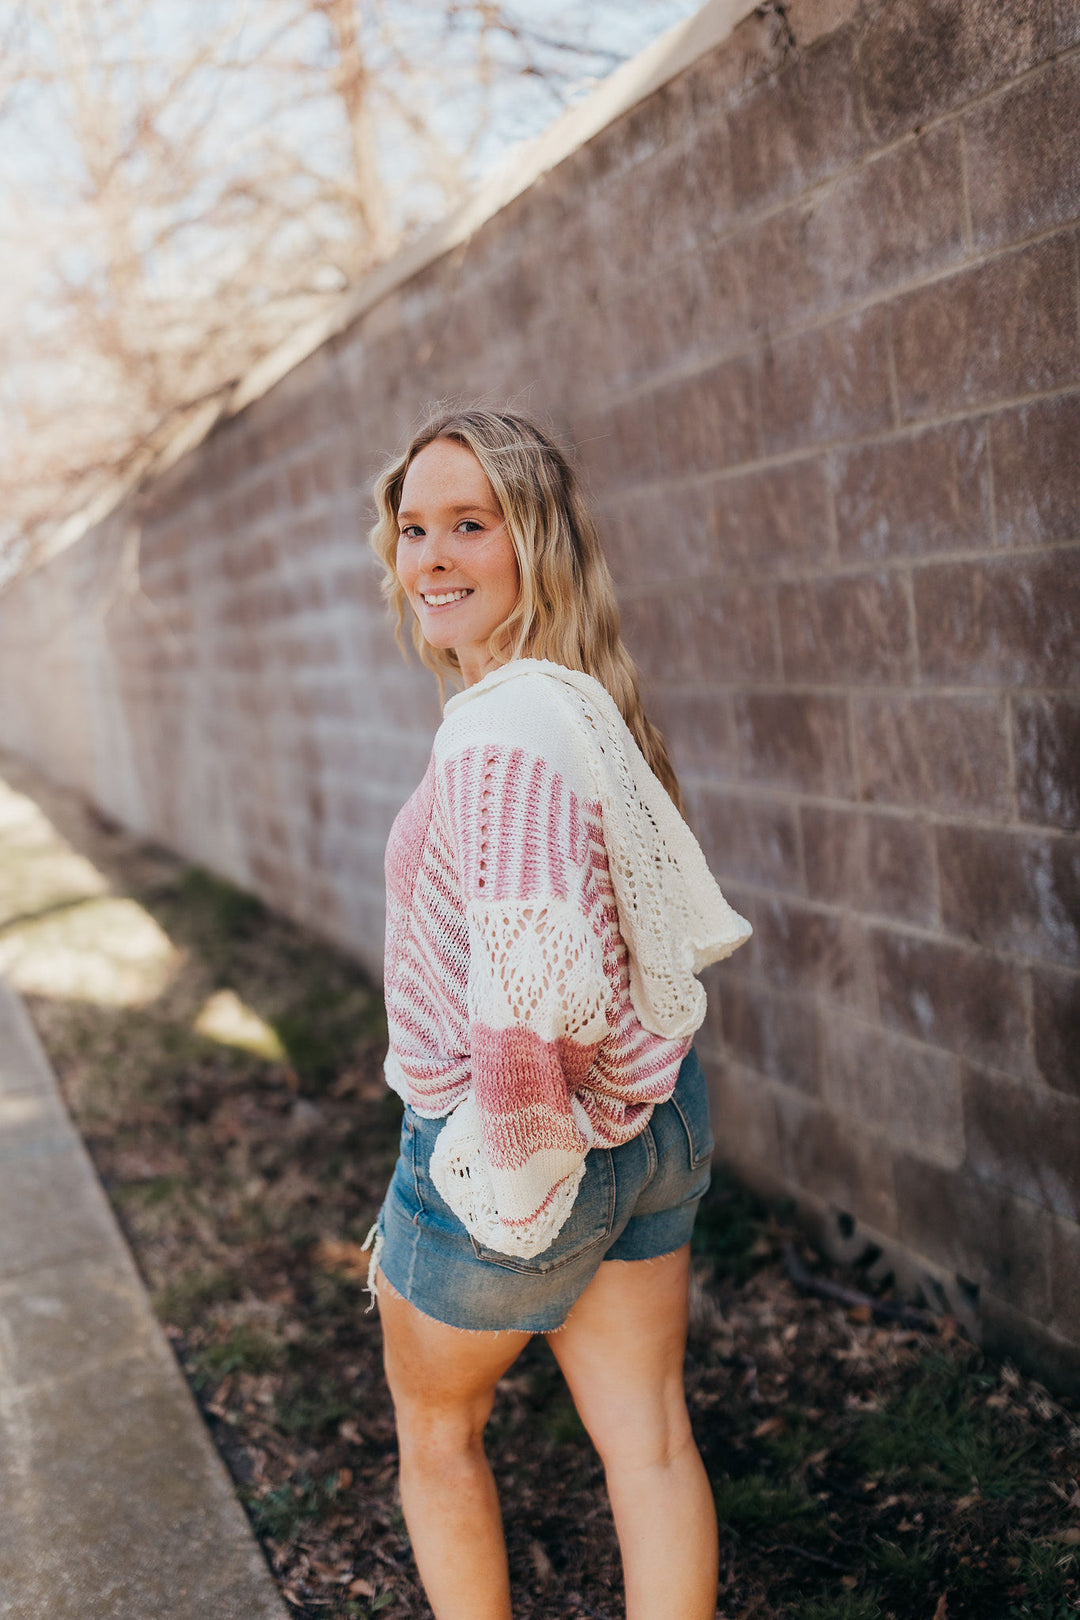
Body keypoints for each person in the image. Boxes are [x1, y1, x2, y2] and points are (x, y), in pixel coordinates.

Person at [364, 407, 751, 1620]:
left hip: (524, 1153)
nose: (428, 556)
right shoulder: (574, 702)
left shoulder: (498, 738)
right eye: (412, 527)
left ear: (534, 542)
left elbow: (533, 979)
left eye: (468, 525)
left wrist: (512, 1180)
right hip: (654, 1121)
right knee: (649, 1446)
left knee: (436, 1433)